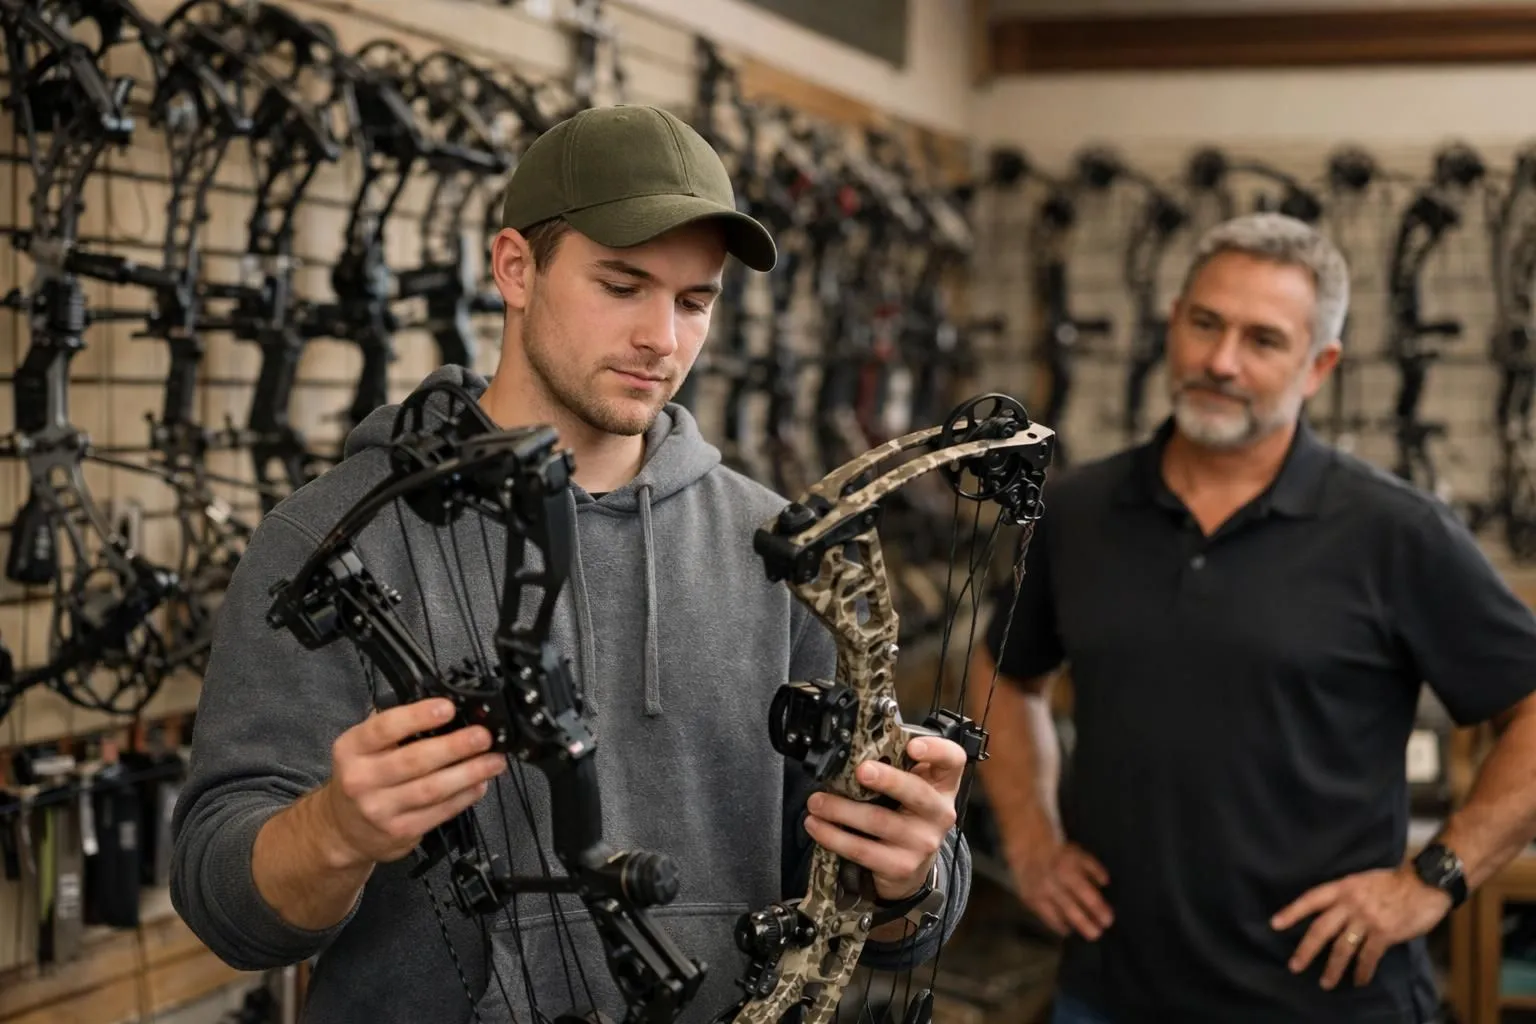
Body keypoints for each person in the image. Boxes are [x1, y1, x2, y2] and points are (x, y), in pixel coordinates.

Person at [171, 104, 973, 1024]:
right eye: (622, 285)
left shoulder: (782, 548)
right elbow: (223, 902)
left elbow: (889, 908)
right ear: (515, 268)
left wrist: (910, 871)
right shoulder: (336, 534)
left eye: (693, 301)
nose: (662, 340)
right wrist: (336, 831)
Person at [971, 211, 1536, 1024]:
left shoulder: (1396, 533)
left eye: (1263, 340)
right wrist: (1029, 839)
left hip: (1332, 1004)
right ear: (1174, 324)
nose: (1221, 361)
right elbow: (1003, 669)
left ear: (1319, 366)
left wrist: (1431, 882)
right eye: (1205, 323)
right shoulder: (1080, 511)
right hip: (1112, 994)